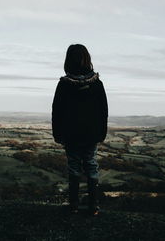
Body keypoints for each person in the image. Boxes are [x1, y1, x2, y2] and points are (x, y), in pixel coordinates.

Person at [51, 44, 108, 216]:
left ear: (68, 60)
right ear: (87, 59)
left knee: (74, 167)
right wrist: (101, 133)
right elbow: (103, 111)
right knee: (91, 165)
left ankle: (74, 205)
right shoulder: (97, 84)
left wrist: (57, 133)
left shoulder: (64, 84)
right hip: (91, 134)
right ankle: (94, 206)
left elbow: (57, 111)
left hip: (71, 134)